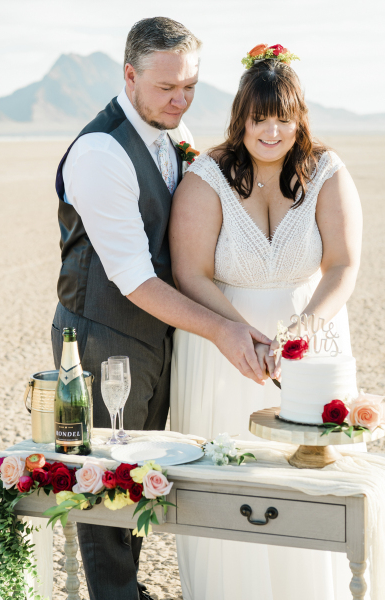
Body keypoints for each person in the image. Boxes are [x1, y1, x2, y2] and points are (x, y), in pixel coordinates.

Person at [51, 19, 270, 600]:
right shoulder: (100, 151)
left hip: (158, 338)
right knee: (101, 483)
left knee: (140, 479)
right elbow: (134, 278)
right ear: (129, 74)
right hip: (100, 338)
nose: (180, 99)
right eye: (166, 87)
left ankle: (130, 588)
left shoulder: (175, 130)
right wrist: (225, 329)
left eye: (191, 86)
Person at [169, 47, 362, 600]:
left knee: (306, 479)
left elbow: (345, 264)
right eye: (259, 119)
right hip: (221, 349)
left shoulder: (326, 171)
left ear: (299, 117)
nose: (271, 130)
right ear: (242, 119)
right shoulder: (206, 176)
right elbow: (192, 273)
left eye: (283, 117)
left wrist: (305, 328)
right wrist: (243, 335)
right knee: (231, 481)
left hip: (311, 345)